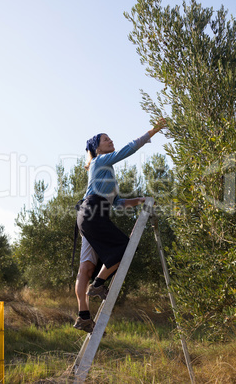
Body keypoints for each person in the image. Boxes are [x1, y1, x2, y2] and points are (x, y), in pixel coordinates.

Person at [73, 118, 167, 333]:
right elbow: (129, 149)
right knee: (125, 247)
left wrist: (140, 200)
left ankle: (83, 316)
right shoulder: (101, 161)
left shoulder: (107, 174)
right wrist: (153, 131)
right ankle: (98, 285)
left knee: (86, 268)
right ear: (97, 148)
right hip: (93, 213)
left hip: (92, 216)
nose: (110, 141)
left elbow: (119, 203)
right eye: (106, 139)